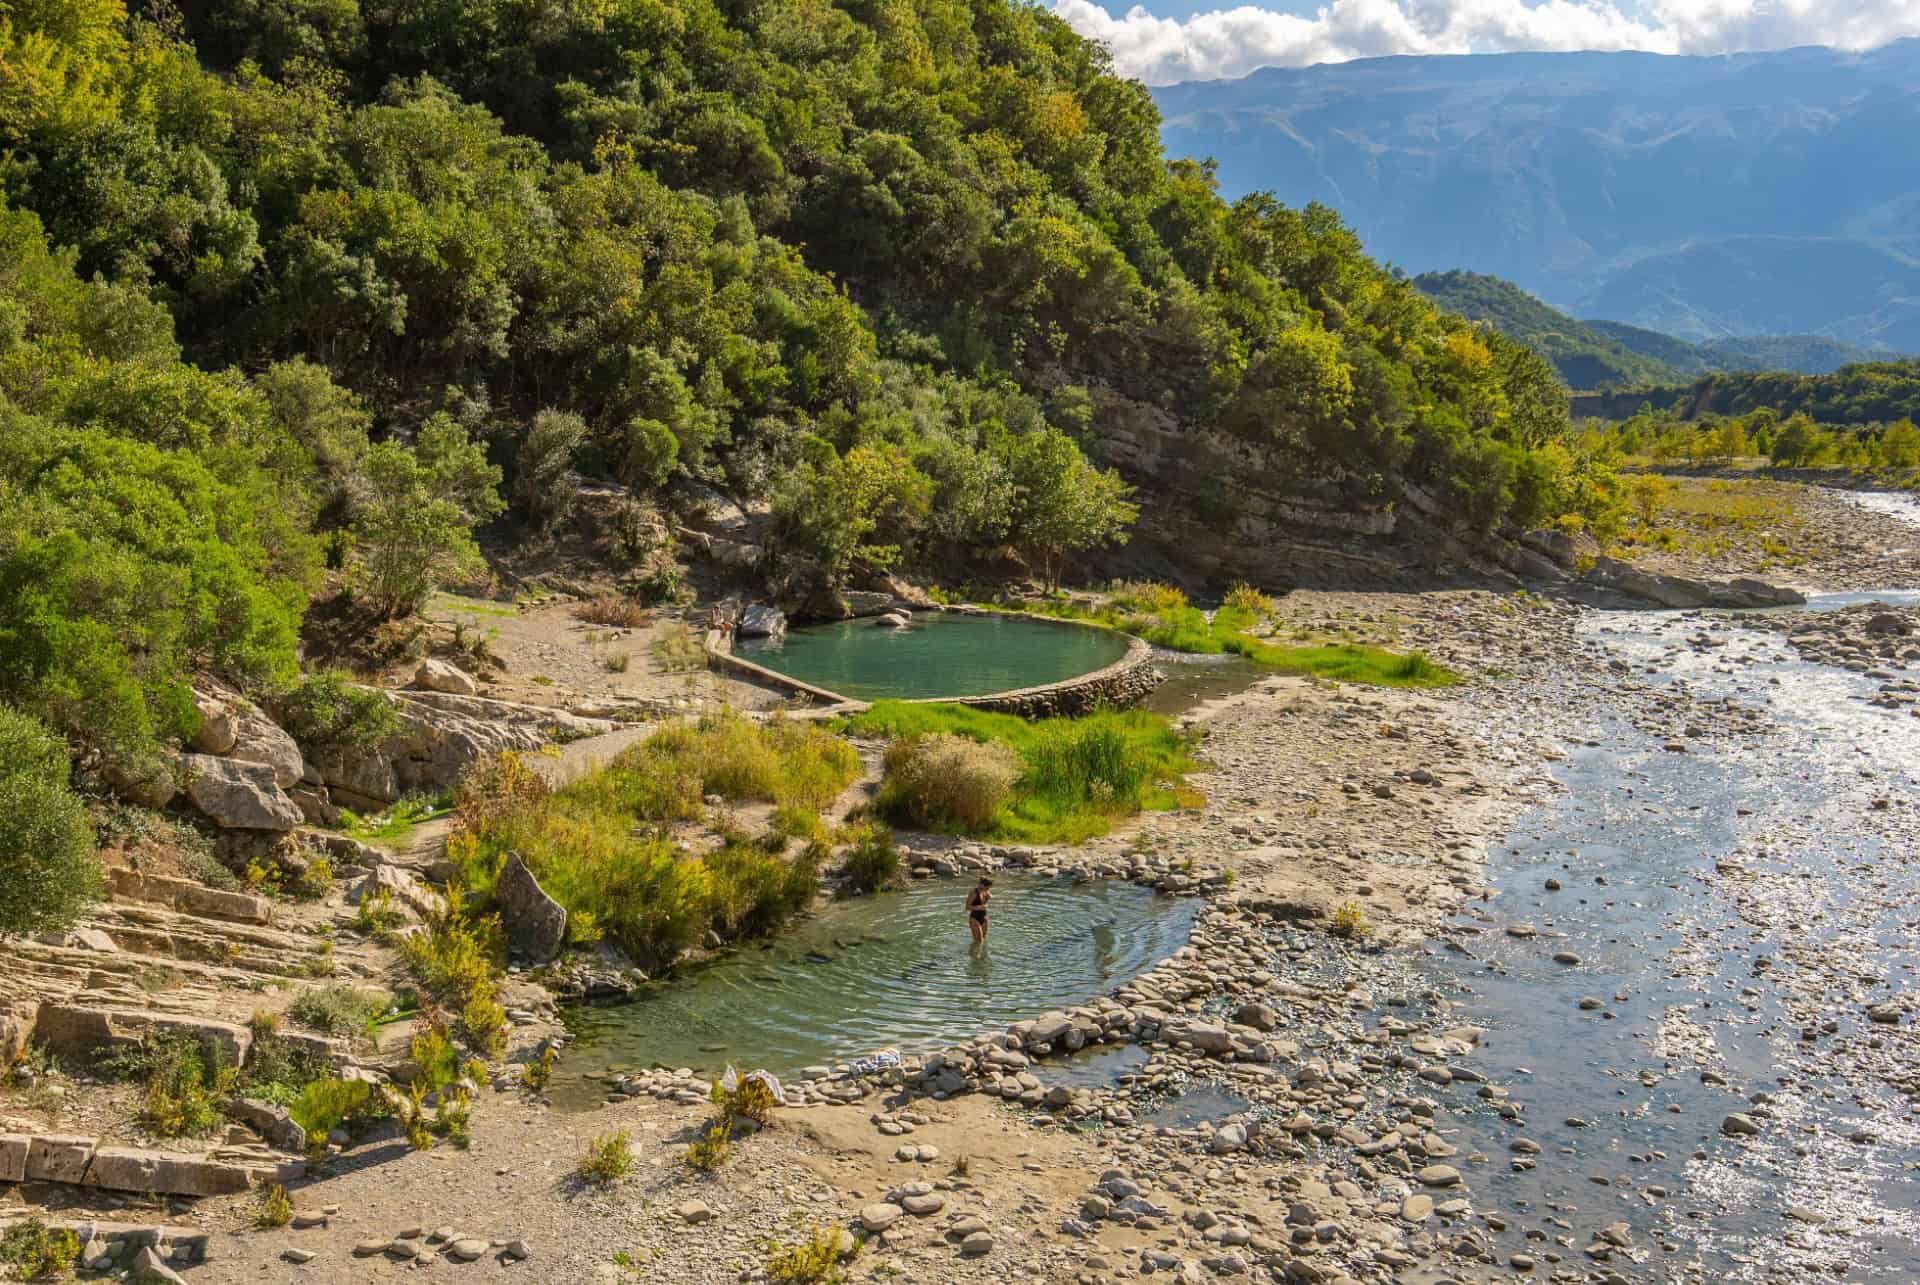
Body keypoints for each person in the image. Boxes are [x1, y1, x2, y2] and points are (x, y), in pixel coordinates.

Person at [965, 877, 993, 945]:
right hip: (974, 919)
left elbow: (990, 896)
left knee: (983, 939)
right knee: (978, 942)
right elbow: (967, 907)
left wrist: (988, 896)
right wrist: (979, 907)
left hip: (984, 918)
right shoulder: (973, 893)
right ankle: (974, 955)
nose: (988, 889)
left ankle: (982, 955)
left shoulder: (986, 891)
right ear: (981, 885)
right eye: (986, 887)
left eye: (988, 887)